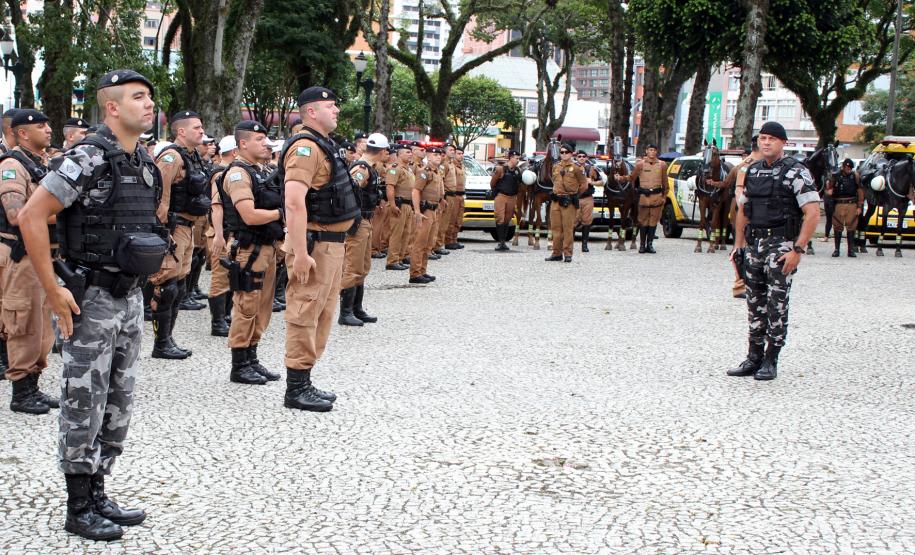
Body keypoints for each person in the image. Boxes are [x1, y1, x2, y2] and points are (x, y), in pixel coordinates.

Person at [19, 69, 165, 541]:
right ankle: (78, 505)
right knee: (84, 400)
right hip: (93, 299)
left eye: (149, 98)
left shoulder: (142, 161)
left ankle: (99, 490)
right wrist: (53, 288)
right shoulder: (87, 156)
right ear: (112, 107)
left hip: (129, 298)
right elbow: (31, 215)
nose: (148, 105)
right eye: (137, 97)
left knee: (117, 402)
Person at [281, 86, 358, 412]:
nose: (337, 110)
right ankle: (295, 388)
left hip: (331, 246)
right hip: (313, 246)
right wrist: (300, 253)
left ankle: (305, 379)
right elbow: (294, 203)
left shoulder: (324, 146)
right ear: (311, 112)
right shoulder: (305, 148)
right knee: (304, 312)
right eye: (331, 105)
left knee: (323, 314)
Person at [728, 121, 820, 381]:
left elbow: (812, 213)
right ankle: (753, 357)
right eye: (763, 138)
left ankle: (771, 359)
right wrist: (738, 246)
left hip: (780, 246)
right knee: (753, 302)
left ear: (783, 143)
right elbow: (743, 211)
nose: (766, 142)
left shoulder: (796, 171)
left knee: (776, 304)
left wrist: (798, 250)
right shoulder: (753, 171)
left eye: (772, 139)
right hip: (754, 245)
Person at [0, 109, 59, 413]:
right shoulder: (12, 165)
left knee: (42, 326)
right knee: (23, 323)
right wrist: (62, 211)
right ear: (22, 133)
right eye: (41, 125)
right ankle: (20, 392)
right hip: (22, 255)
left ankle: (33, 384)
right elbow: (16, 214)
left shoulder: (43, 164)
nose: (48, 129)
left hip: (45, 254)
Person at [217, 120, 284, 385]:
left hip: (266, 248)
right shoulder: (238, 174)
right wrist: (281, 214)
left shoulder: (261, 171)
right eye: (259, 139)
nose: (265, 143)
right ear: (242, 143)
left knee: (263, 307)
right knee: (246, 307)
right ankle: (239, 364)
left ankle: (252, 358)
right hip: (248, 250)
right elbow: (249, 214)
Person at [147, 110, 211, 359]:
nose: (201, 131)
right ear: (181, 131)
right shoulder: (172, 157)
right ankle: (160, 343)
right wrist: (163, 231)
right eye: (196, 127)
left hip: (188, 227)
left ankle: (168, 338)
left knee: (179, 285)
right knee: (167, 286)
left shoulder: (192, 156)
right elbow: (159, 196)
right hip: (174, 228)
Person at [339, 133, 388, 326]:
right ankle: (346, 312)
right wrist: (353, 217)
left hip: (366, 220)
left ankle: (357, 309)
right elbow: (349, 191)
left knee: (363, 266)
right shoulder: (362, 168)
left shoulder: (370, 168)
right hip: (358, 222)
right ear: (382, 151)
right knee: (353, 267)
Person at [206, 135, 238, 336]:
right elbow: (216, 207)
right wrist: (219, 235)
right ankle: (217, 322)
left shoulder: (228, 172)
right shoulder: (220, 174)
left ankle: (226, 315)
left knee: (230, 274)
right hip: (221, 232)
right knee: (220, 277)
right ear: (234, 151)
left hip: (229, 231)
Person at [727, 136, 763, 298]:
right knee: (741, 247)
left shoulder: (756, 163)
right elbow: (739, 191)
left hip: (751, 212)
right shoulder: (747, 165)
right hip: (747, 213)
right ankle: (739, 284)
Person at [409, 147, 445, 283]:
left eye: (439, 155)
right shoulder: (424, 172)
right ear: (428, 157)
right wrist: (417, 212)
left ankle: (422, 270)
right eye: (435, 155)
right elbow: (416, 191)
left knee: (428, 243)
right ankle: (415, 273)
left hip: (433, 210)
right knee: (419, 242)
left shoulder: (436, 172)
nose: (438, 157)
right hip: (425, 210)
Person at [547, 144, 587, 262]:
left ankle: (568, 253)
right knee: (555, 228)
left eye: (566, 152)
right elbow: (555, 182)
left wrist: (575, 195)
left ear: (571, 153)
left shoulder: (576, 168)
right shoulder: (556, 167)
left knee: (568, 229)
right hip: (556, 200)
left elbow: (584, 185)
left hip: (568, 201)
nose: (564, 154)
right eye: (562, 152)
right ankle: (556, 253)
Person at [627, 144, 668, 254]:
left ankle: (650, 244)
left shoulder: (662, 165)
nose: (652, 152)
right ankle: (642, 245)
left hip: (656, 196)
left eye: (654, 150)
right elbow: (632, 178)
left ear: (656, 152)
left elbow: (665, 183)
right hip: (644, 197)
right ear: (646, 151)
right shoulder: (640, 165)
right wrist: (621, 178)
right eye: (650, 150)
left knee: (653, 221)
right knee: (643, 221)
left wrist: (664, 197)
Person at [825, 158, 863, 258]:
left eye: (850, 168)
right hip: (838, 203)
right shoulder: (835, 176)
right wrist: (829, 191)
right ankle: (837, 249)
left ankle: (850, 250)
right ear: (843, 167)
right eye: (846, 167)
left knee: (851, 227)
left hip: (852, 203)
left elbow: (860, 191)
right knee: (837, 227)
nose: (848, 169)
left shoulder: (855, 176)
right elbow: (829, 189)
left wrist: (860, 206)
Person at [385, 144, 414, 270]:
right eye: (407, 152)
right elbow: (390, 187)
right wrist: (392, 204)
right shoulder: (395, 168)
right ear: (399, 154)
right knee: (397, 233)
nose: (410, 154)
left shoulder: (408, 169)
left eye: (411, 152)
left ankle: (400, 258)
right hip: (399, 204)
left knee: (406, 233)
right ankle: (392, 260)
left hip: (408, 205)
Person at [489, 150, 521, 251]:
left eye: (518, 159)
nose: (518, 160)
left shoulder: (518, 170)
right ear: (511, 158)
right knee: (500, 218)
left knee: (507, 220)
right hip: (501, 196)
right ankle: (500, 242)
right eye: (516, 158)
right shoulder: (500, 169)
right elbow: (492, 183)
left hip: (512, 197)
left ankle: (503, 243)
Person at [575, 150, 601, 252]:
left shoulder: (592, 169)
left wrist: (593, 182)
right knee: (573, 221)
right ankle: (570, 244)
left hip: (587, 198)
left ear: (586, 158)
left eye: (583, 156)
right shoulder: (572, 168)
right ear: (576, 157)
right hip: (575, 198)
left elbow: (602, 181)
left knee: (587, 221)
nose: (581, 158)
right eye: (579, 156)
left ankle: (584, 245)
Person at [444, 147, 466, 250]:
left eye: (462, 153)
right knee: (451, 219)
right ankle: (448, 240)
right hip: (454, 194)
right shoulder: (449, 165)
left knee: (459, 219)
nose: (460, 155)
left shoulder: (462, 166)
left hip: (461, 195)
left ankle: (454, 239)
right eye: (458, 153)